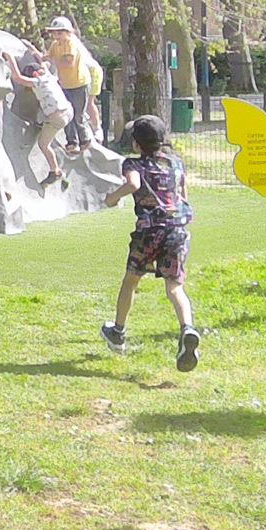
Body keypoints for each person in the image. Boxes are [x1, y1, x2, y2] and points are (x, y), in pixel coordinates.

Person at [101, 114, 200, 371]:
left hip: (149, 231)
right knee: (175, 287)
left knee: (131, 281)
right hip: (176, 229)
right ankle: (187, 329)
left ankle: (118, 331)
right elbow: (183, 195)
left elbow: (133, 184)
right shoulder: (175, 163)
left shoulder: (133, 164)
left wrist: (112, 198)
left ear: (136, 143)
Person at [4, 46, 73, 183]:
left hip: (57, 117)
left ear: (34, 75)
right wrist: (31, 47)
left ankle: (55, 171)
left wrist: (10, 58)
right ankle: (41, 124)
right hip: (68, 111)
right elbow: (40, 60)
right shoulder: (48, 76)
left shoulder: (38, 82)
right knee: (43, 113)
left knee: (43, 144)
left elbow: (18, 78)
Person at [44, 17, 104, 150]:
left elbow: (68, 62)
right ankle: (72, 142)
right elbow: (47, 57)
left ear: (68, 32)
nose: (56, 36)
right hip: (65, 84)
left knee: (79, 114)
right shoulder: (55, 45)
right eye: (54, 33)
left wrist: (54, 60)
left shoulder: (71, 44)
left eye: (60, 33)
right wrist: (35, 53)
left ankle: (86, 139)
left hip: (79, 84)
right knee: (67, 113)